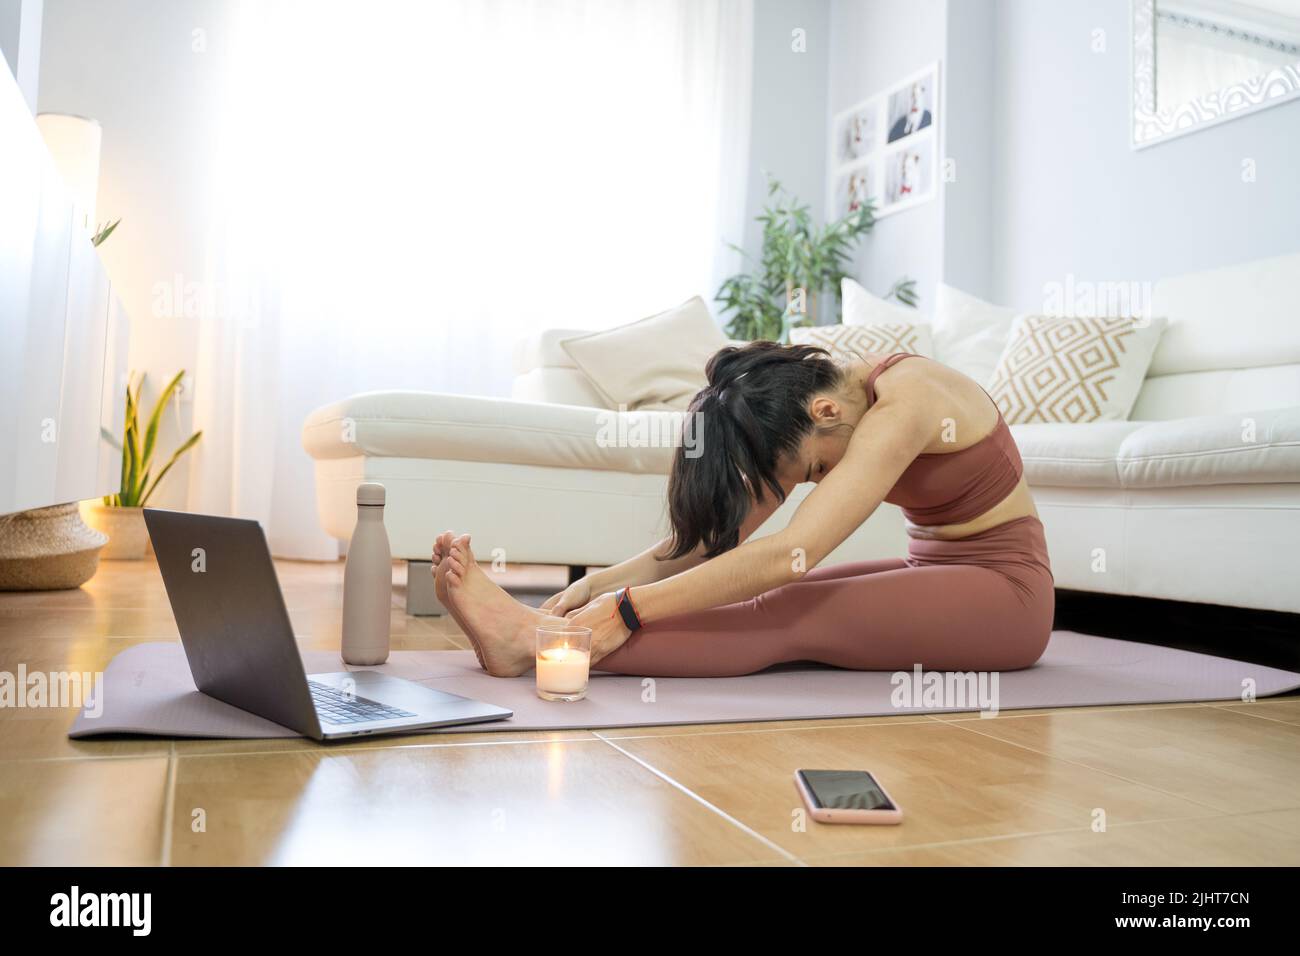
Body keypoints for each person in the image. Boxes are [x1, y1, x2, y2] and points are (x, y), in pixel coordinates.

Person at [431, 343, 1054, 678]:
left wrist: (625, 610)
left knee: (782, 611)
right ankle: (544, 635)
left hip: (1007, 594)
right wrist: (601, 583)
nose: (823, 481)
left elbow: (790, 555)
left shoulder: (905, 404)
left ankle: (530, 644)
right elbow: (720, 544)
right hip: (939, 574)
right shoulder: (823, 408)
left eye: (814, 471)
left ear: (827, 416)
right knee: (749, 597)